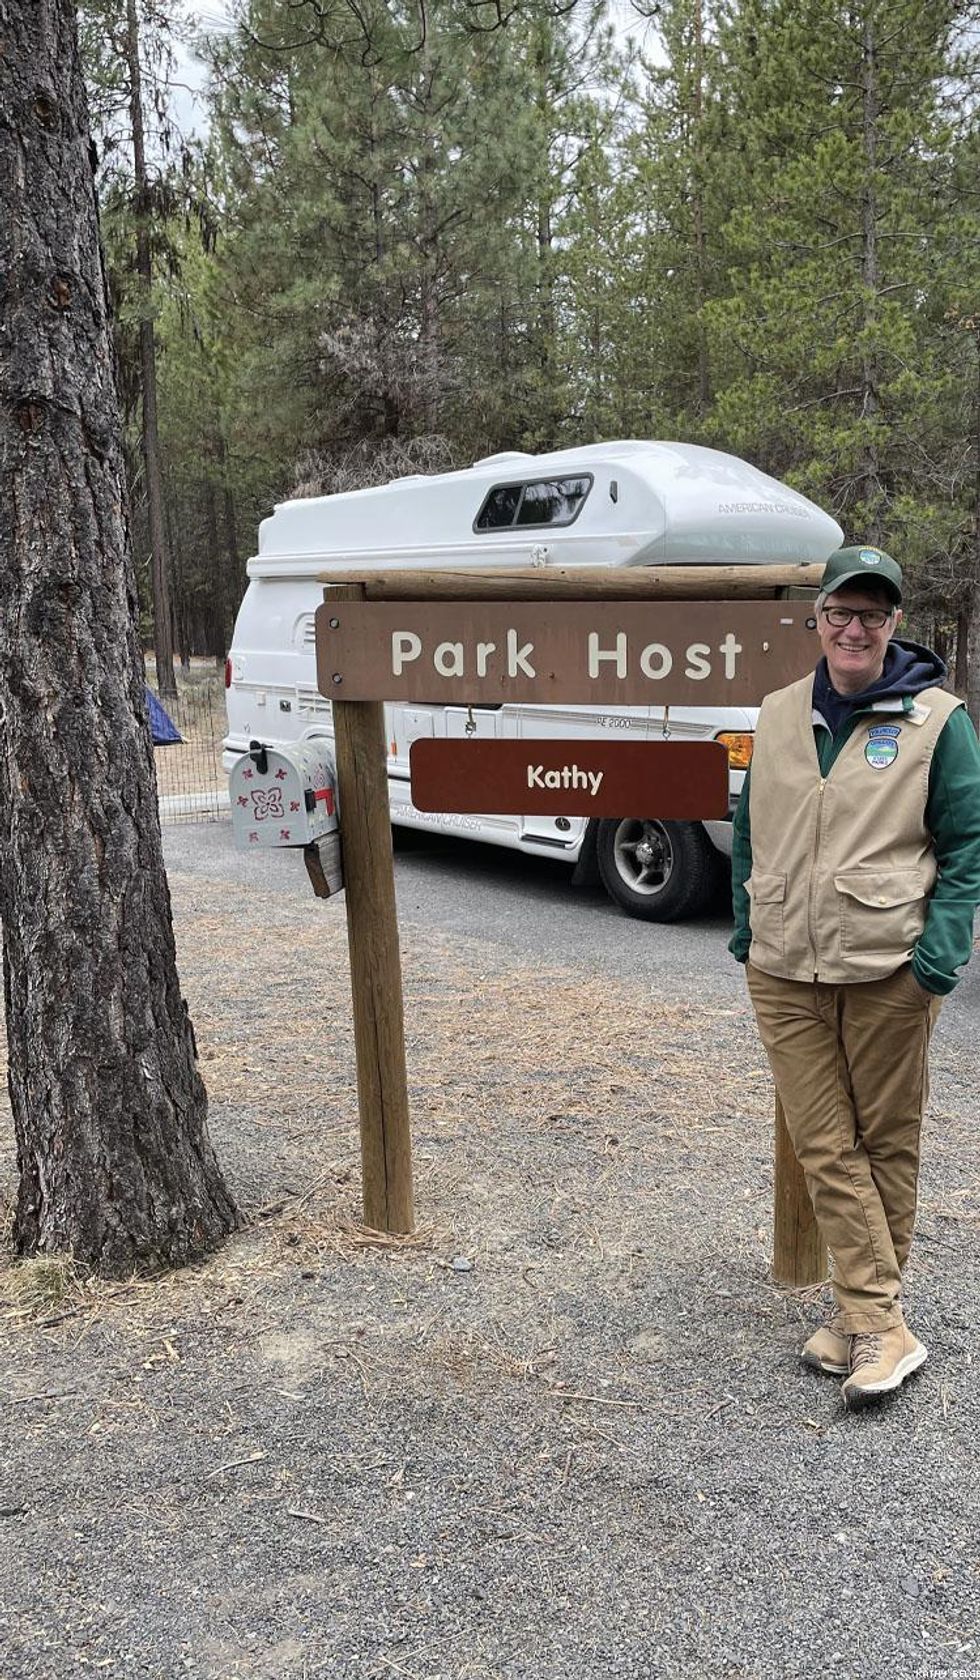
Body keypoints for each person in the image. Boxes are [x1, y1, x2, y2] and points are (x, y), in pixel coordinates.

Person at [730, 545, 980, 1409]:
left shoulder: (938, 721)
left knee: (884, 1142)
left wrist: (939, 959)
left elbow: (966, 847)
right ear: (818, 616)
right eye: (841, 610)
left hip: (886, 969)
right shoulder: (775, 712)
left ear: (895, 624)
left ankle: (864, 1316)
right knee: (823, 1141)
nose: (854, 628)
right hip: (784, 967)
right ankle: (882, 1319)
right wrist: (743, 928)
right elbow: (751, 828)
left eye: (873, 614)